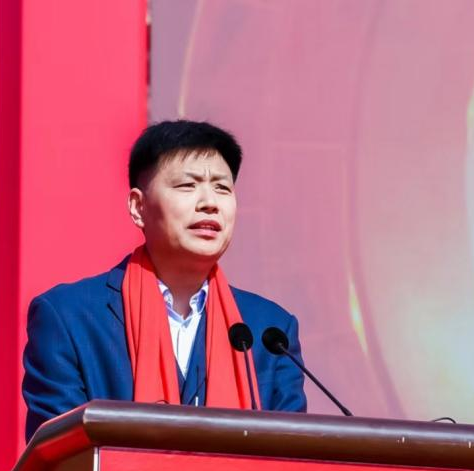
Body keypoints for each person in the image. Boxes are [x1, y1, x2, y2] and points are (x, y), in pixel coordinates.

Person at [21, 120, 307, 441]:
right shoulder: (69, 318)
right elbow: (61, 456)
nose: (210, 202)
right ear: (138, 207)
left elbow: (292, 456)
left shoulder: (269, 332)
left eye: (222, 188)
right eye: (187, 185)